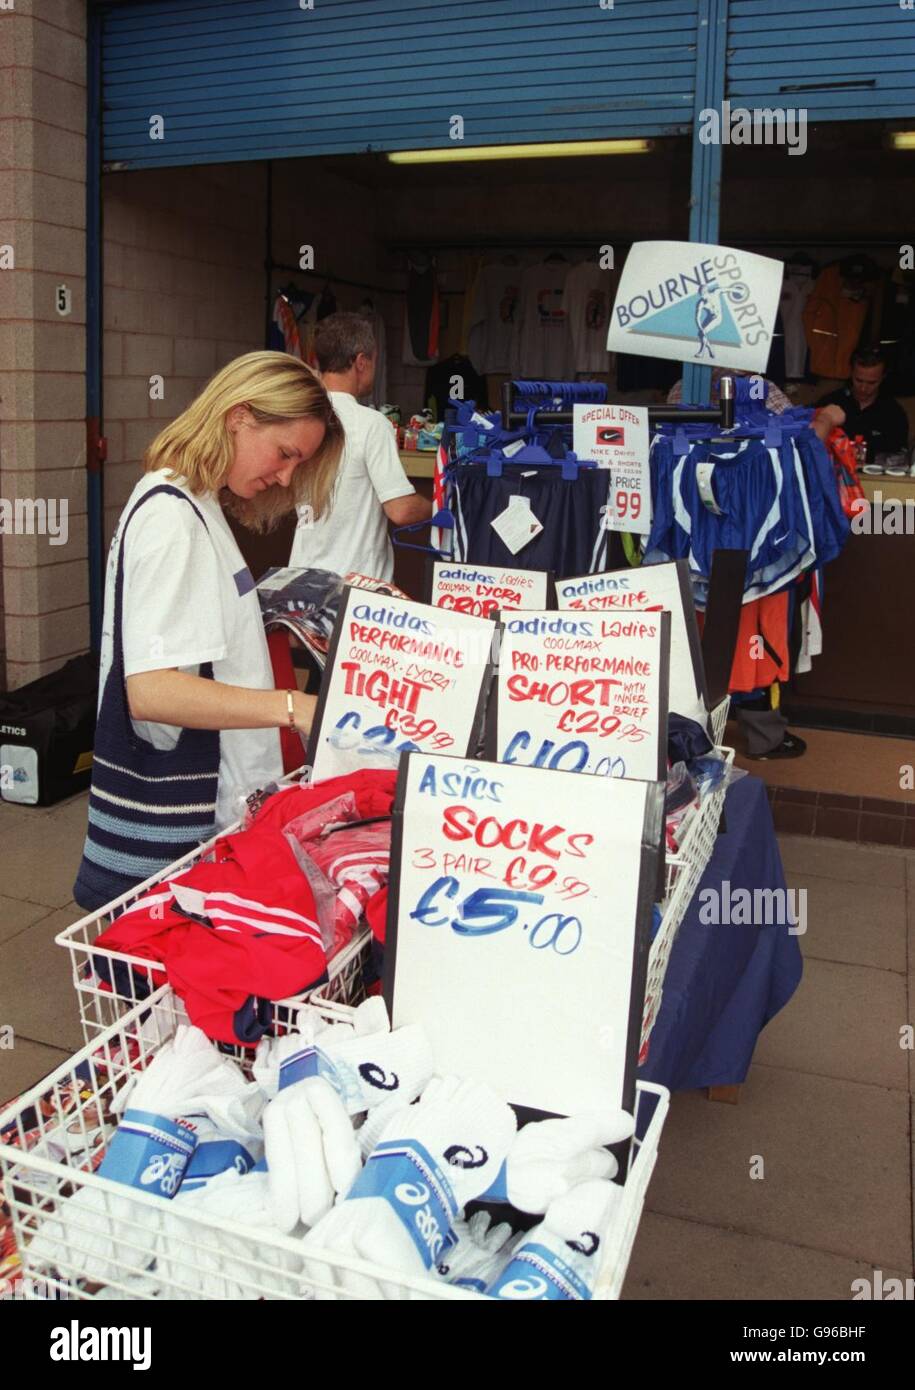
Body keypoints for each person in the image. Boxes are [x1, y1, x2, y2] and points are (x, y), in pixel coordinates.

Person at [73, 351, 345, 910]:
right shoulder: (173, 517)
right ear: (239, 416)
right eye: (285, 454)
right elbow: (150, 690)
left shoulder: (195, 503)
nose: (287, 475)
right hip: (189, 818)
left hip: (214, 805)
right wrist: (293, 705)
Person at [289, 312, 432, 580]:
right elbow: (401, 510)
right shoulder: (371, 424)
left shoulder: (301, 416)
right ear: (361, 362)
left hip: (301, 579)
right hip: (355, 590)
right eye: (374, 361)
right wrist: (441, 506)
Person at [815, 346, 910, 462]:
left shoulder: (894, 413)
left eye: (871, 383)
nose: (863, 388)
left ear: (883, 377)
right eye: (859, 380)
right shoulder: (830, 403)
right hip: (833, 474)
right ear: (851, 373)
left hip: (875, 477)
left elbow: (899, 457)